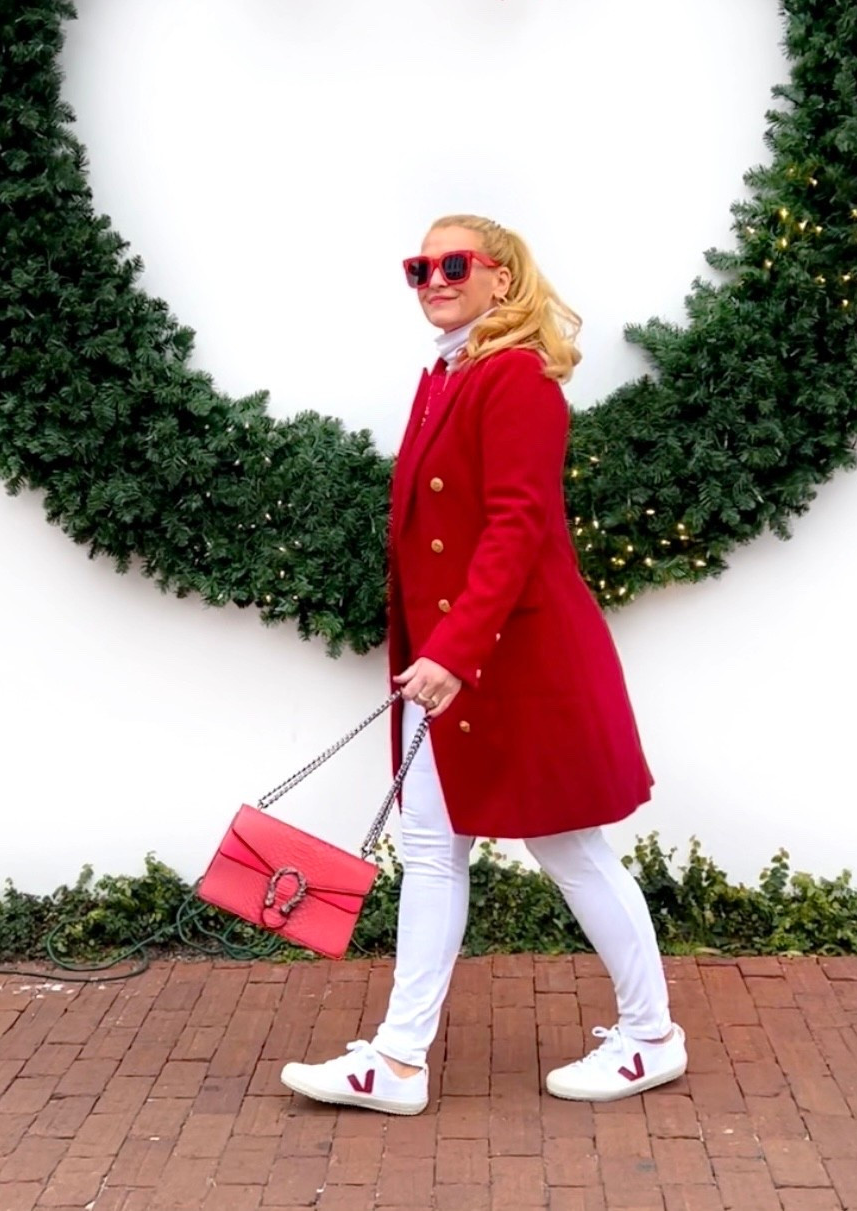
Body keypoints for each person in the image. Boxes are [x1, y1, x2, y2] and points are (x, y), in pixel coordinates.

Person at [281, 214, 687, 1115]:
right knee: (431, 845)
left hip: (520, 657)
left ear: (502, 278)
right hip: (461, 657)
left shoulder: (516, 378)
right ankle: (397, 1059)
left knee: (569, 845)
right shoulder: (449, 373)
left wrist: (454, 649)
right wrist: (441, 650)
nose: (432, 277)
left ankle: (653, 1037)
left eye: (452, 262)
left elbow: (517, 524)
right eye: (418, 265)